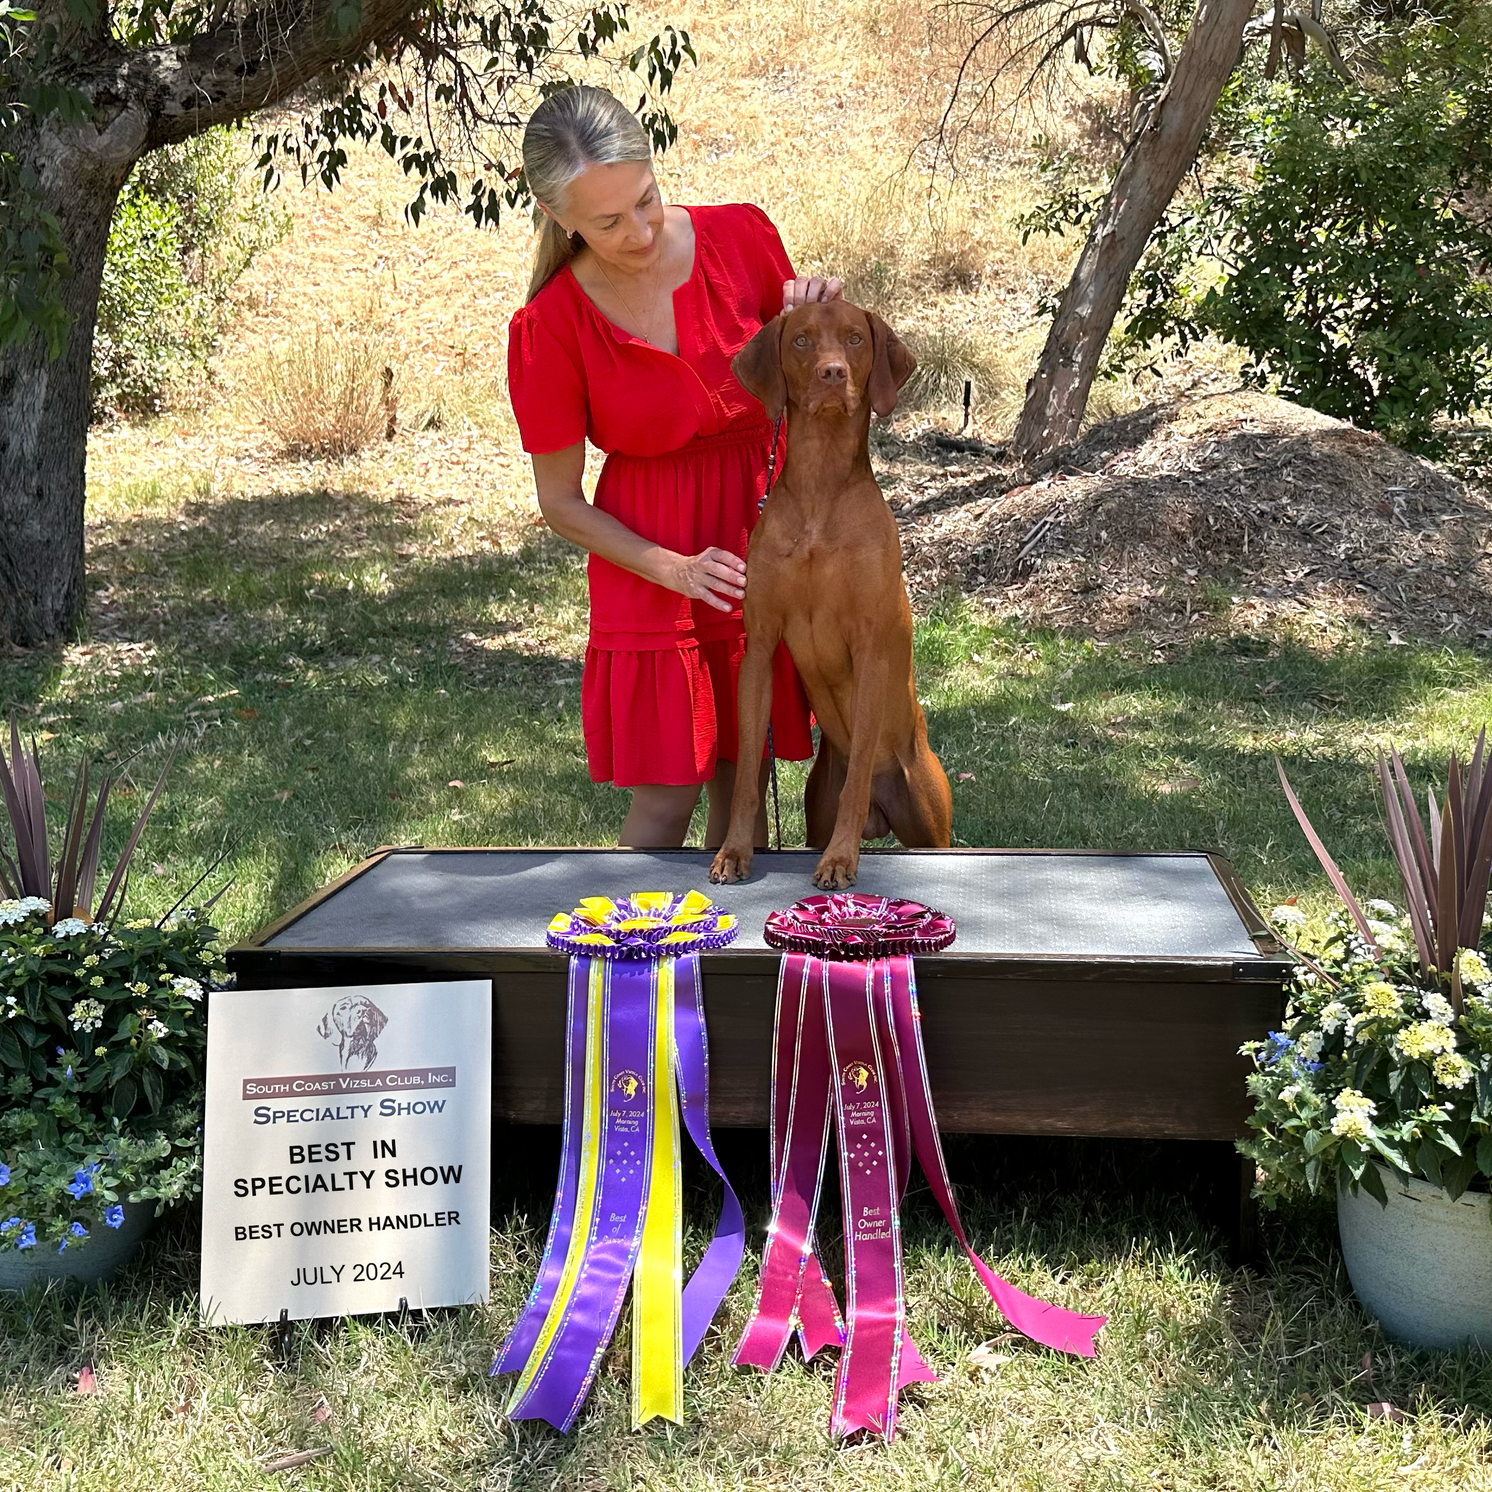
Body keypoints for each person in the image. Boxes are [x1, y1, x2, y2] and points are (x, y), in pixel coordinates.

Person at [507, 86, 841, 849]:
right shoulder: (549, 327)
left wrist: (817, 322)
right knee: (667, 796)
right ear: (559, 219)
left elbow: (808, 391)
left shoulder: (743, 238)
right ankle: (618, 960)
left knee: (743, 784)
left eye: (646, 200)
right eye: (607, 221)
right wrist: (673, 569)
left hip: (760, 534)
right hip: (653, 558)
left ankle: (732, 964)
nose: (640, 231)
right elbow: (559, 501)